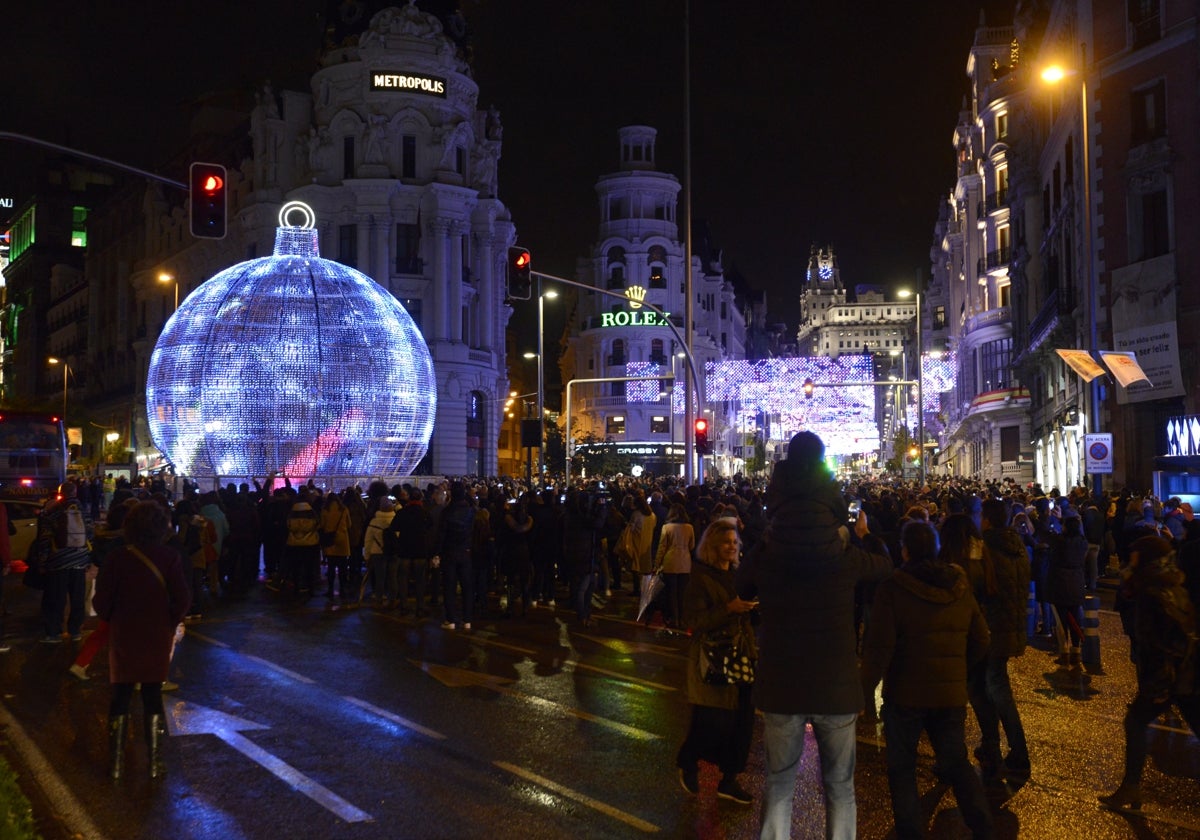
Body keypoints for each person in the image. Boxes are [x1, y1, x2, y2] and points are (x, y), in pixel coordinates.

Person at [743, 431, 892, 840]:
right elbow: (885, 566)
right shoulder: (844, 553)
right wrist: (864, 536)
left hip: (781, 684)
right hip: (836, 684)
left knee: (779, 784)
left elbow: (738, 586)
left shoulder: (768, 548)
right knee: (840, 788)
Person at [861, 520, 994, 840]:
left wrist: (865, 694)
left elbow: (878, 649)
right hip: (949, 695)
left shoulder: (894, 588)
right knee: (957, 764)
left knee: (903, 771)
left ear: (904, 550)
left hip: (905, 696)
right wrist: (959, 669)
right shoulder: (958, 585)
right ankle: (984, 829)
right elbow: (981, 639)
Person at [92, 501, 191, 780]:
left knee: (121, 694)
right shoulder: (169, 557)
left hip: (124, 632)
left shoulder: (116, 558)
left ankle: (116, 763)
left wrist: (114, 617)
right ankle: (155, 762)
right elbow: (183, 598)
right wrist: (169, 621)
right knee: (152, 694)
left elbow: (101, 602)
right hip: (157, 633)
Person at [1101, 535, 1200, 810]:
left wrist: (1157, 688)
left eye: (1133, 557)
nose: (1128, 562)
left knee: (1134, 723)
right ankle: (1130, 787)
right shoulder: (1166, 584)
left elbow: (1161, 645)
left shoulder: (1153, 593)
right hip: (1182, 677)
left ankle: (1131, 787)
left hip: (1170, 678)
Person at [676, 518, 757, 806]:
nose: (732, 547)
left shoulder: (738, 574)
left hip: (742, 656)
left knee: (742, 722)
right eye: (726, 542)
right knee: (712, 721)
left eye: (735, 543)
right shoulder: (700, 579)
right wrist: (729, 608)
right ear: (712, 545)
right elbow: (694, 621)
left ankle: (729, 779)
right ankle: (689, 764)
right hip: (713, 659)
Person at [968, 498, 1032, 782]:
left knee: (993, 688)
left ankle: (1017, 752)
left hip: (992, 628)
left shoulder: (986, 549)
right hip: (1011, 626)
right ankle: (993, 746)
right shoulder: (1017, 547)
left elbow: (979, 587)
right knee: (990, 685)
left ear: (988, 519)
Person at [36, 480, 94, 642]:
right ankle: (75, 631)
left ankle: (53, 633)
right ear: (75, 493)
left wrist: (42, 562)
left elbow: (45, 540)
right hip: (80, 561)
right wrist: (88, 558)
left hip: (58, 562)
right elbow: (91, 536)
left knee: (56, 598)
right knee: (77, 598)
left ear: (61, 493)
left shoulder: (53, 512)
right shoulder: (85, 512)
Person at [1048, 514, 1088, 665]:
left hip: (1060, 582)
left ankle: (1064, 651)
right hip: (1077, 581)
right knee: (1075, 617)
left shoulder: (1059, 541)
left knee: (1061, 620)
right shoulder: (1082, 542)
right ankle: (1076, 651)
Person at [654, 502, 694, 632]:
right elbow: (692, 545)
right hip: (685, 561)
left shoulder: (667, 527)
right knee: (682, 592)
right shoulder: (689, 527)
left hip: (670, 560)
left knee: (671, 592)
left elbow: (662, 547)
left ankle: (674, 618)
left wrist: (656, 564)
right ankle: (683, 619)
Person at [319, 492, 352, 600]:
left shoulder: (325, 510)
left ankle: (330, 589)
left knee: (331, 567)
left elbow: (322, 525)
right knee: (343, 568)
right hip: (343, 540)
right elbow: (349, 524)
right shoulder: (344, 509)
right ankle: (343, 589)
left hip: (330, 540)